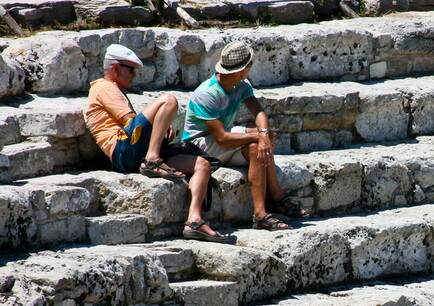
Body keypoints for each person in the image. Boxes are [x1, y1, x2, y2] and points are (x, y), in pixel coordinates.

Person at [84, 44, 231, 243]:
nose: (134, 75)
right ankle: (152, 160)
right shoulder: (104, 87)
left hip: (134, 150)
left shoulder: (112, 89)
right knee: (168, 100)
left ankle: (194, 221)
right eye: (131, 69)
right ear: (116, 68)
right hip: (122, 152)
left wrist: (160, 126)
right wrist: (160, 123)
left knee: (202, 165)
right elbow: (130, 122)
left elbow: (137, 127)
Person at [181, 40, 308, 231]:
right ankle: (277, 197)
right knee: (259, 139)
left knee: (259, 145)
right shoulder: (207, 94)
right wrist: (259, 136)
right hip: (199, 146)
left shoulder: (241, 85)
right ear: (243, 69)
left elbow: (259, 112)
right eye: (250, 65)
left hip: (220, 146)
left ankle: (260, 213)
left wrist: (263, 134)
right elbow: (222, 138)